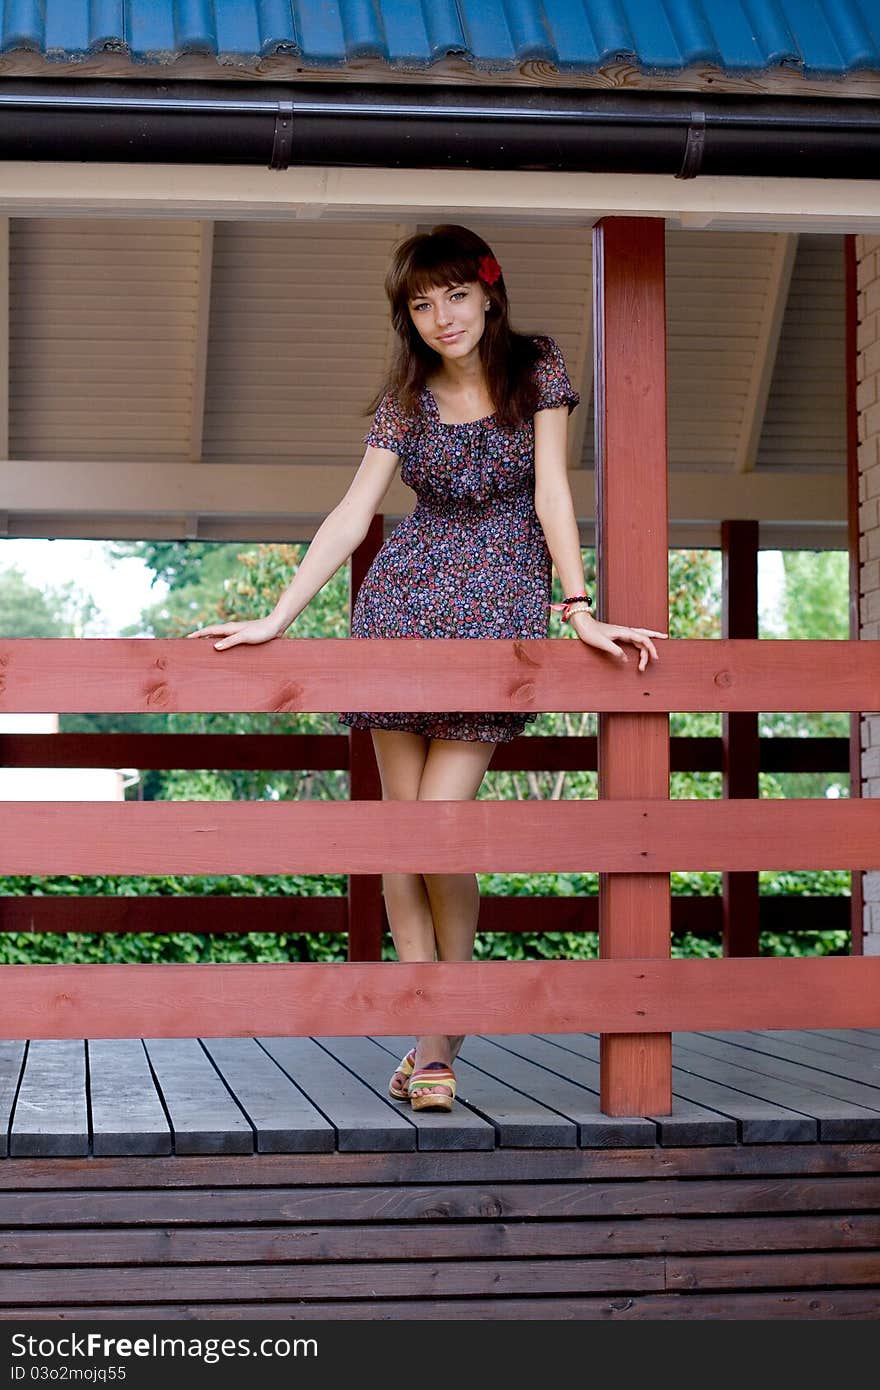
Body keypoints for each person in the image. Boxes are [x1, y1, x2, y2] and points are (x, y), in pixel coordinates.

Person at [188, 224, 666, 1114]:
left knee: (442, 828)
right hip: (399, 606)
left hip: (497, 610)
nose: (442, 317)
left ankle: (441, 1031)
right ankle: (432, 1040)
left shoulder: (538, 368)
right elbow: (352, 511)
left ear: (489, 292)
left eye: (454, 295)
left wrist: (577, 607)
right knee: (401, 840)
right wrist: (278, 616)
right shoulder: (405, 399)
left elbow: (554, 491)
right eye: (421, 303)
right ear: (406, 316)